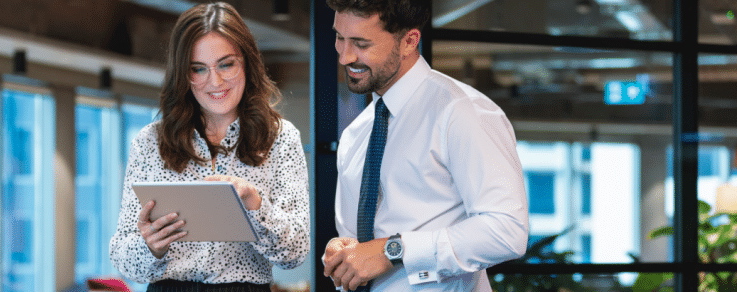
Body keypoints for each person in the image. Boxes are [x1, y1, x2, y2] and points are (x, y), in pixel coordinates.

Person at [322, 0, 529, 291]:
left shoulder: (462, 111)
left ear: (409, 41)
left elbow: (507, 231)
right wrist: (343, 251)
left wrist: (394, 250)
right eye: (339, 38)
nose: (345, 56)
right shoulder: (356, 133)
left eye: (361, 44)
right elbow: (360, 247)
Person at [108, 2, 310, 292]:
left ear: (247, 63)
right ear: (183, 74)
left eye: (226, 64)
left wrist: (255, 204)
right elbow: (123, 260)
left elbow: (295, 253)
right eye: (198, 69)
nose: (215, 81)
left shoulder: (281, 138)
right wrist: (149, 246)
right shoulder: (150, 141)